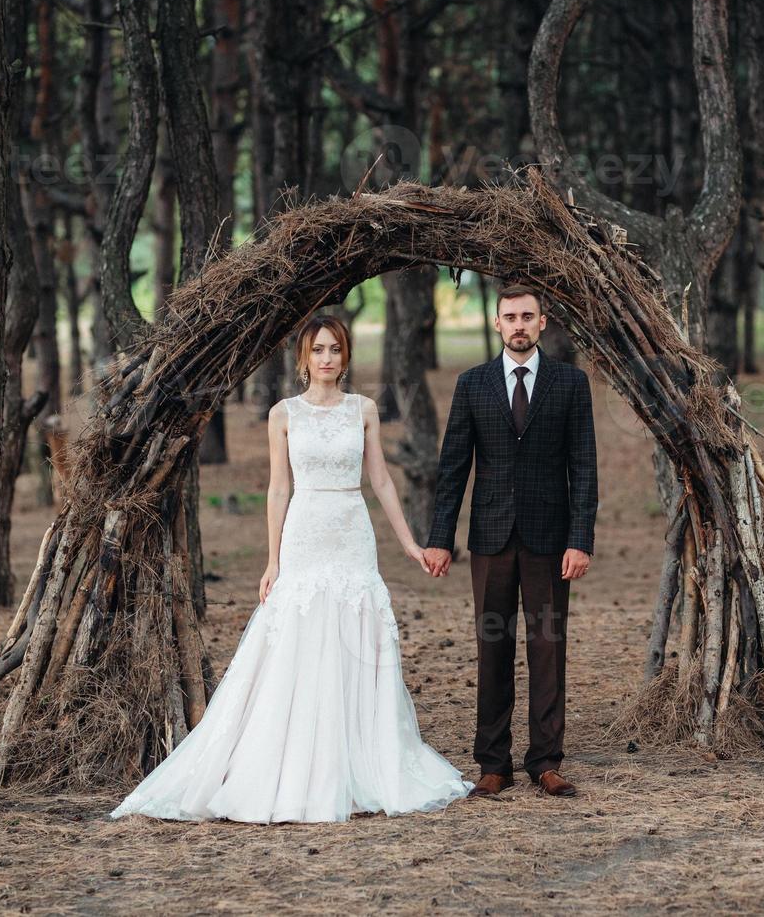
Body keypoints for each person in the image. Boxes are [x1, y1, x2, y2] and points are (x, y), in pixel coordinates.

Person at [109, 314, 474, 824]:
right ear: (304, 358)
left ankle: (359, 757)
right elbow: (279, 488)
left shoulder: (363, 410)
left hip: (350, 529)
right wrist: (273, 559)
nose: (328, 359)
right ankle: (290, 760)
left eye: (336, 350)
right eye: (319, 350)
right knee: (299, 636)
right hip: (305, 530)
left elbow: (383, 484)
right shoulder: (283, 415)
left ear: (346, 357)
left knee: (354, 633)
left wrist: (411, 544)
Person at [424, 284, 598, 799]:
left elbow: (583, 466)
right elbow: (453, 468)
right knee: (492, 647)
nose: (519, 324)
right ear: (497, 324)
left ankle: (546, 760)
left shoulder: (570, 384)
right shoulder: (472, 384)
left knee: (548, 647)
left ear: (543, 323)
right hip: (491, 538)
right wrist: (440, 539)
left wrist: (580, 538)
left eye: (528, 316)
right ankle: (492, 763)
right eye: (509, 317)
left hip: (550, 539)